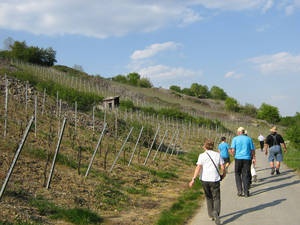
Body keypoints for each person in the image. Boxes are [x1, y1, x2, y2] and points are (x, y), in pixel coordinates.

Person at [189, 139, 226, 225]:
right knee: (216, 197)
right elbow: (223, 167)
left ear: (205, 146)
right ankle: (216, 212)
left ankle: (211, 214)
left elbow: (198, 167)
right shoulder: (218, 155)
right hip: (215, 179)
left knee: (208, 197)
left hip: (205, 179)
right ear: (212, 146)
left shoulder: (202, 155)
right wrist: (223, 174)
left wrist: (193, 178)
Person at [230, 127, 255, 197]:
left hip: (238, 158)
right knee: (246, 174)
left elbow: (233, 150)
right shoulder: (249, 139)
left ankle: (240, 190)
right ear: (244, 132)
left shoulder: (235, 139)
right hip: (247, 158)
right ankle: (246, 192)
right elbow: (252, 150)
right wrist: (253, 157)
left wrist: (233, 155)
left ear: (238, 132)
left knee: (237, 174)